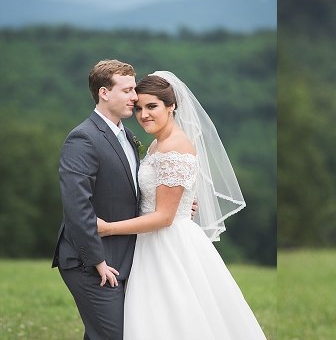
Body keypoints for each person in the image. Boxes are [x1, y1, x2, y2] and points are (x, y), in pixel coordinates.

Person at [95, 71, 265, 339]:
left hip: (168, 242)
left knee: (175, 315)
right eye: (138, 108)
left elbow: (164, 217)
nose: (143, 115)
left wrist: (107, 228)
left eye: (152, 106)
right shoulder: (155, 145)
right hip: (150, 241)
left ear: (171, 105)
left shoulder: (175, 148)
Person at [53, 60, 142, 339]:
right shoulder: (83, 138)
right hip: (91, 263)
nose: (135, 97)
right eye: (127, 90)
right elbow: (77, 205)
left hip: (124, 258)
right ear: (104, 93)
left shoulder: (126, 135)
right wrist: (97, 261)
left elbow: (131, 194)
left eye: (134, 89)